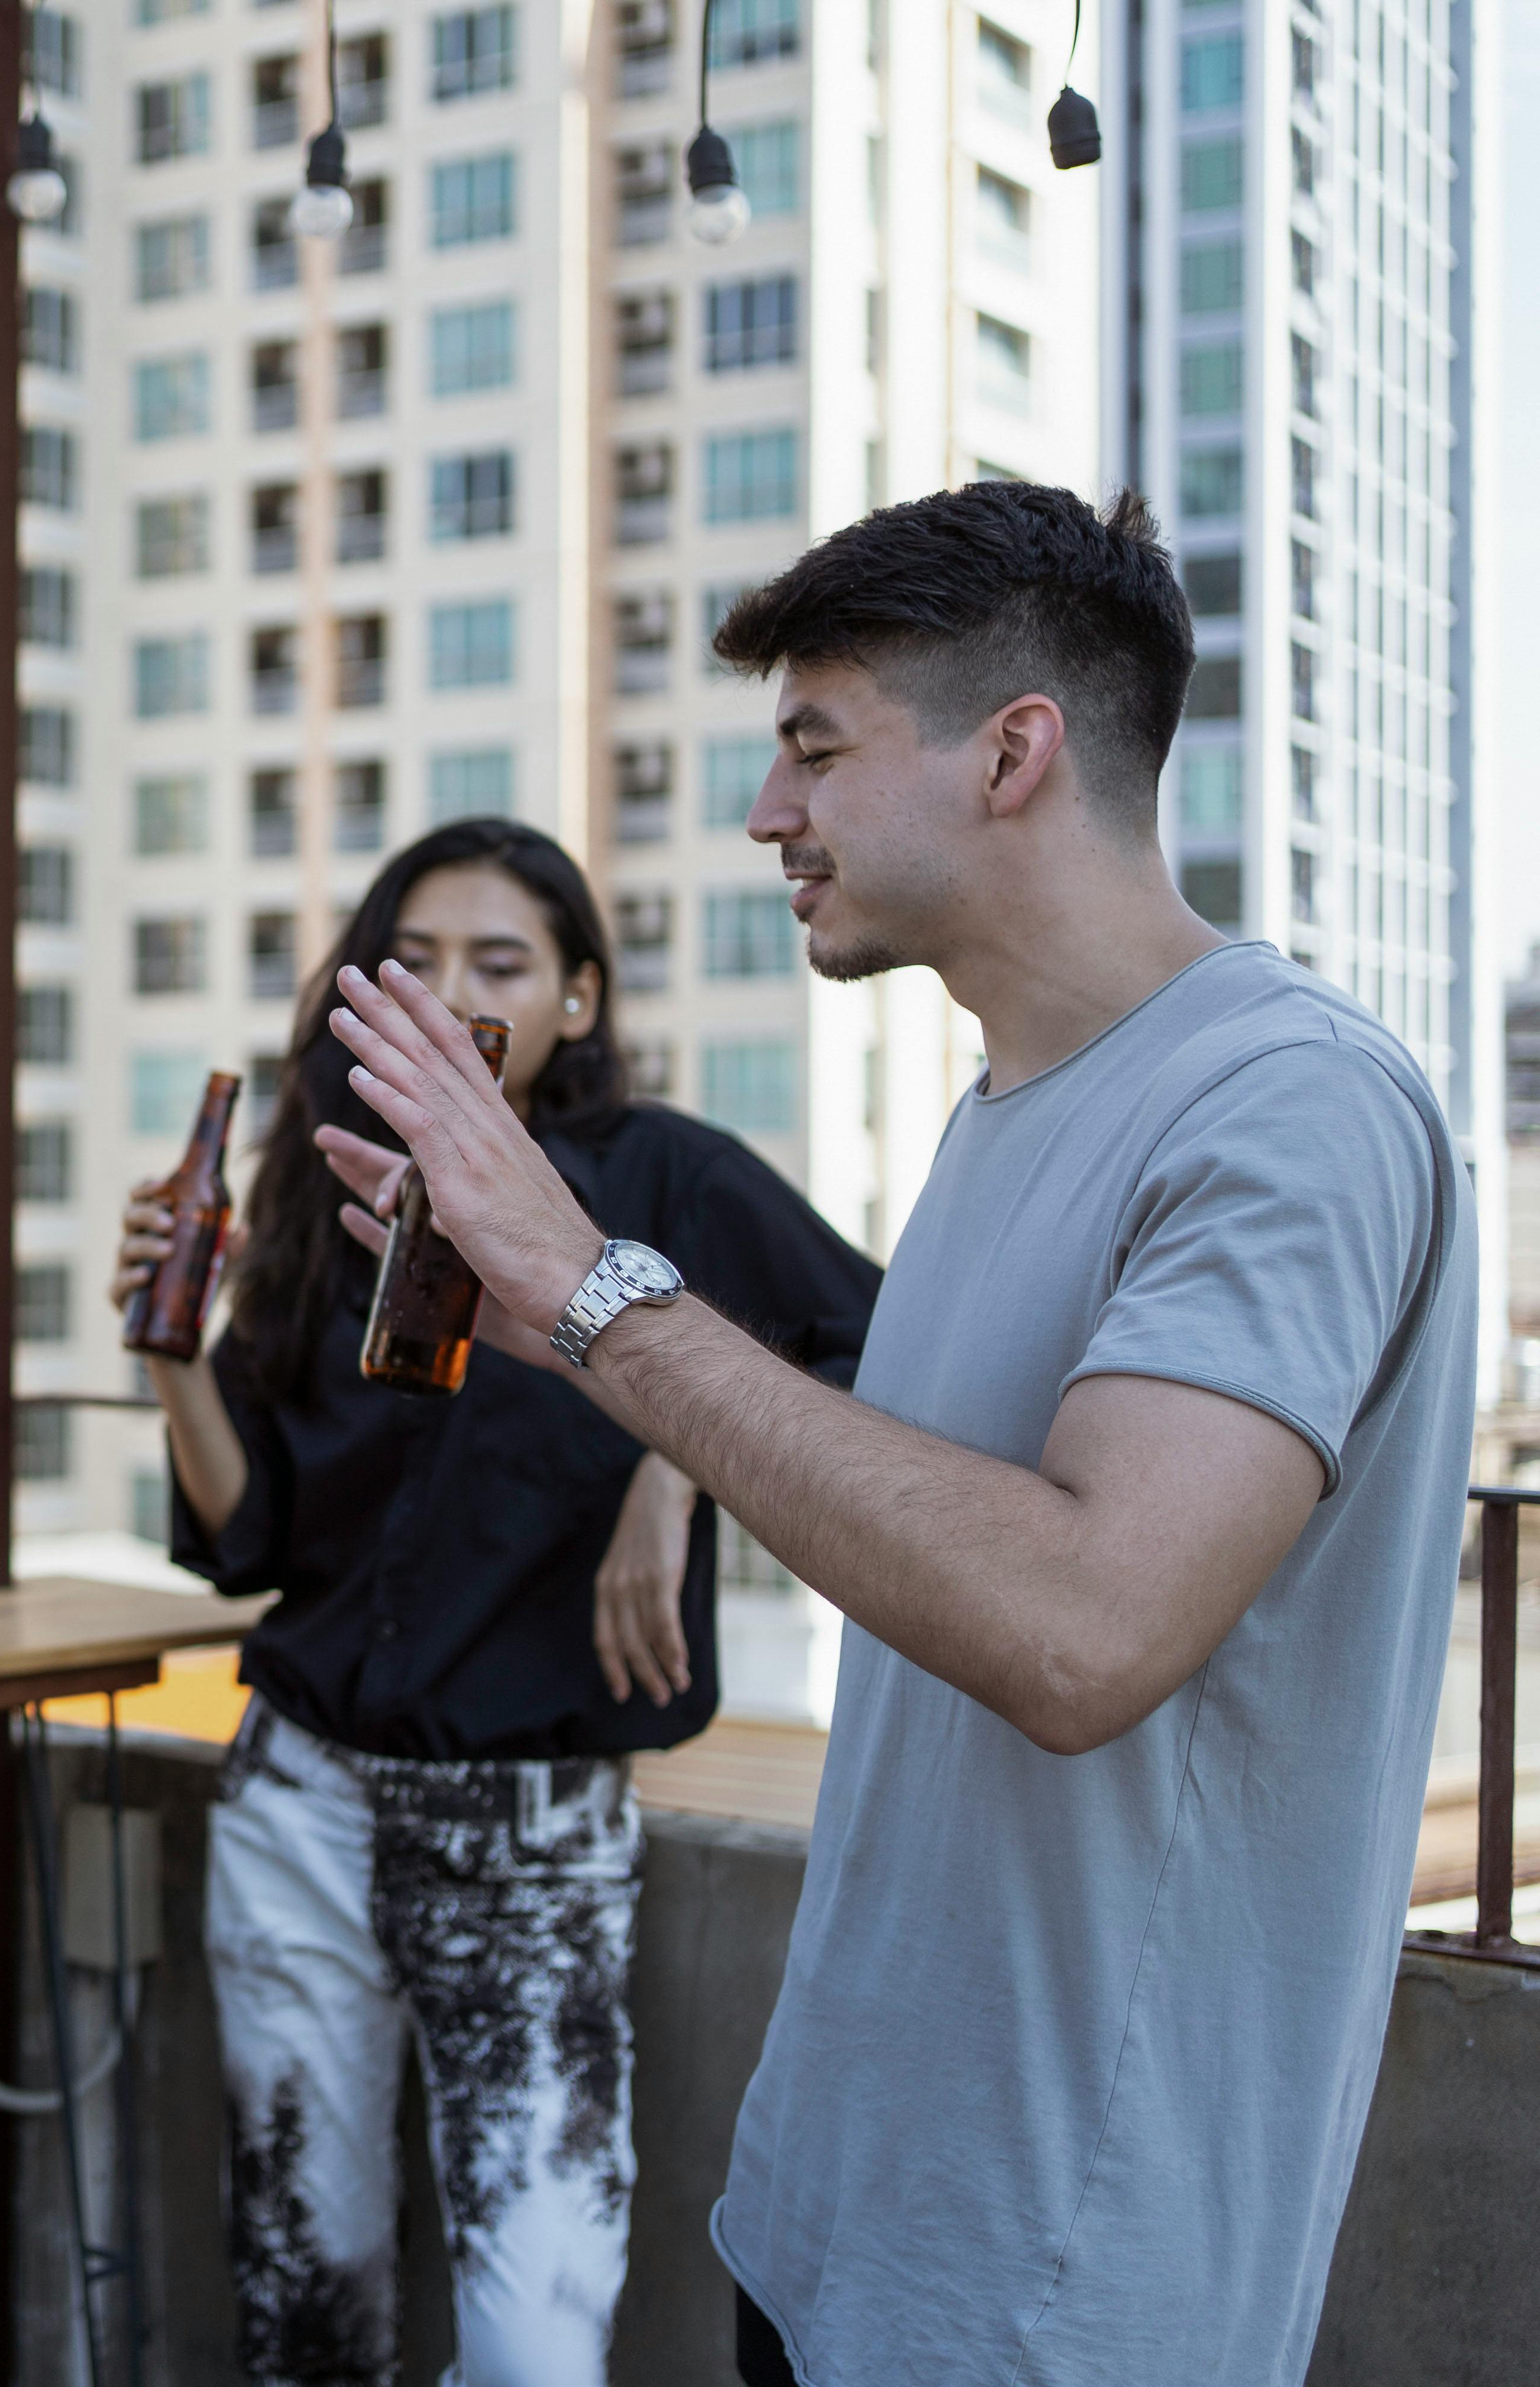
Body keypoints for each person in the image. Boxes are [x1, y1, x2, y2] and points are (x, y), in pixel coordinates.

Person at [309, 484, 1473, 2387]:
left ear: (1013, 754)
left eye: (816, 747)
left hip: (1064, 2294)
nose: (769, 812)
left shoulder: (1290, 1105)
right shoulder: (1004, 1107)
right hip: (834, 2218)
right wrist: (564, 1338)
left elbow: (1084, 1627)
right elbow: (911, 1508)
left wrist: (600, 1287)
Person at [116, 820, 877, 2387]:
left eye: (504, 963)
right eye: (417, 962)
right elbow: (248, 1532)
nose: (456, 994)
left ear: (579, 1000)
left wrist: (676, 1466)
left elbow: (866, 1348)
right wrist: (170, 1352)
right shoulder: (325, 1184)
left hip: (531, 1827)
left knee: (540, 2337)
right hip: (298, 1806)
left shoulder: (662, 1177)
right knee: (300, 2308)